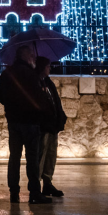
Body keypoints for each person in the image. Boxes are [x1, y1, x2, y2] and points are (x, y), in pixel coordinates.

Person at [0, 45, 53, 204]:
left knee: (14, 157)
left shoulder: (7, 74)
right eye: (31, 54)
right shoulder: (31, 75)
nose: (33, 57)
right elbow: (39, 98)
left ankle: (14, 192)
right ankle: (34, 192)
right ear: (24, 55)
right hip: (30, 121)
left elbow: (1, 96)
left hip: (14, 121)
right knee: (32, 158)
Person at [36, 56, 67, 198]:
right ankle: (37, 184)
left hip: (52, 125)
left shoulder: (48, 83)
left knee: (51, 155)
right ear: (42, 67)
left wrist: (60, 118)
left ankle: (47, 183)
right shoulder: (36, 83)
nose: (50, 68)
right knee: (41, 155)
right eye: (48, 66)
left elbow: (56, 102)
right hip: (43, 126)